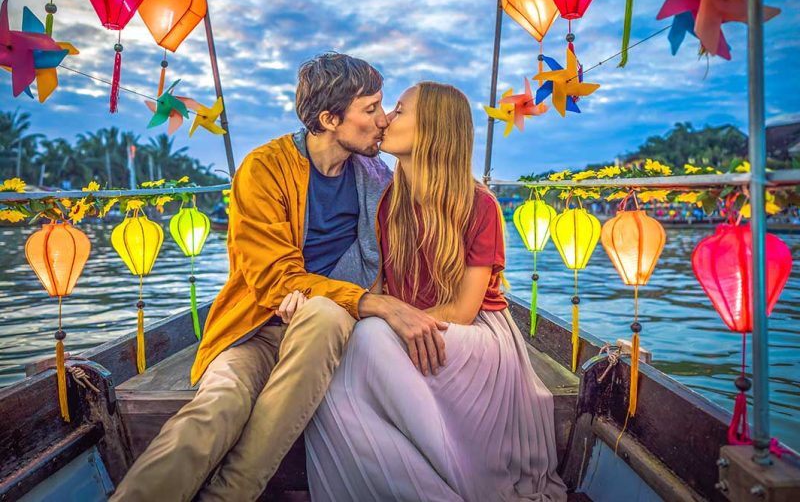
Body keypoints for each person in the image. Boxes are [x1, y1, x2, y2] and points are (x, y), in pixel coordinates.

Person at [111, 53, 448, 501]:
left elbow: (401, 253)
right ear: (329, 119)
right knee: (219, 404)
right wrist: (377, 304)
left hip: (331, 332)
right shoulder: (264, 169)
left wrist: (333, 300)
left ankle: (230, 495)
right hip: (256, 329)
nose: (384, 120)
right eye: (371, 109)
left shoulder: (377, 178)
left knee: (324, 316)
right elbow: (274, 279)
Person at [304, 81, 568, 501]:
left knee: (371, 336)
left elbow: (464, 310)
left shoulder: (479, 206)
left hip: (474, 337)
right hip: (410, 331)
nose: (386, 118)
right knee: (330, 382)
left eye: (400, 111)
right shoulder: (390, 202)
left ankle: (465, 479)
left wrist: (396, 321)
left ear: (432, 129)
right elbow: (381, 286)